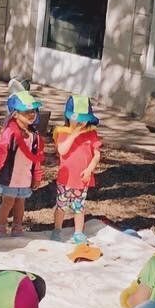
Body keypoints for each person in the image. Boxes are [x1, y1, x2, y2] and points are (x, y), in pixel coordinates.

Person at [0, 89, 44, 237]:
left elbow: (37, 158)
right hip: (10, 177)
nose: (32, 114)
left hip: (25, 178)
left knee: (20, 203)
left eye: (33, 110)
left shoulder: (34, 136)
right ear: (15, 114)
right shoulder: (10, 133)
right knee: (8, 202)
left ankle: (17, 226)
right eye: (27, 111)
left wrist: (37, 177)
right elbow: (2, 149)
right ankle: (1, 226)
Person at [52, 95, 103, 246]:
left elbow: (97, 155)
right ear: (68, 117)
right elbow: (62, 150)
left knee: (79, 207)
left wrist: (89, 170)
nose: (80, 122)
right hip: (66, 180)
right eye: (76, 119)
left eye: (83, 119)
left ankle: (78, 232)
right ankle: (57, 229)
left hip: (82, 179)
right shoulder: (63, 132)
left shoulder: (92, 134)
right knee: (61, 206)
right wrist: (73, 135)